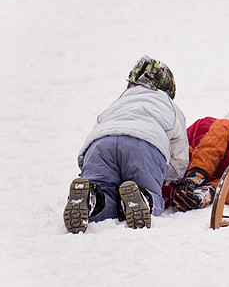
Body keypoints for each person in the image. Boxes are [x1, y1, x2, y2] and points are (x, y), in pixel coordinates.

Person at [63, 55, 189, 234]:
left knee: (105, 193)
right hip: (143, 145)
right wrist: (170, 175)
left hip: (100, 144)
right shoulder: (170, 107)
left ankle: (92, 199)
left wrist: (85, 166)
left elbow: (96, 129)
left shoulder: (117, 103)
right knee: (152, 195)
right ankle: (143, 198)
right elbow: (179, 158)